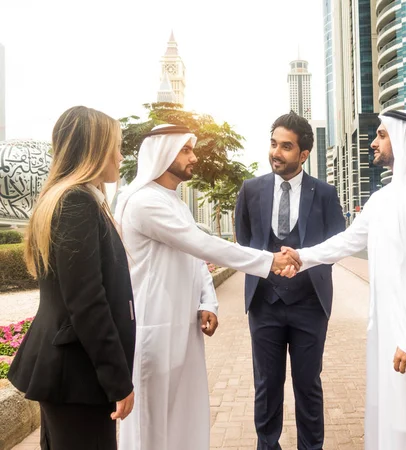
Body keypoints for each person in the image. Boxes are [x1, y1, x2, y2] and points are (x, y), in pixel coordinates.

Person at [280, 110, 406, 449]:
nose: (374, 142)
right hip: (386, 333)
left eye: (382, 134)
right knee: (388, 420)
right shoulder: (383, 197)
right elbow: (346, 242)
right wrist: (301, 257)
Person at [114, 124, 300, 450]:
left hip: (183, 330)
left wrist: (209, 302)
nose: (194, 157)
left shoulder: (174, 203)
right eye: (186, 150)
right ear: (163, 153)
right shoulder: (143, 202)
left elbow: (195, 258)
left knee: (185, 419)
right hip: (153, 331)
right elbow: (203, 244)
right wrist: (268, 261)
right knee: (151, 426)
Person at [8, 106, 135, 450]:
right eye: (117, 146)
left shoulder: (72, 199)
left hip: (71, 372)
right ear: (95, 149)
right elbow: (87, 302)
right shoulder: (76, 202)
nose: (121, 156)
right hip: (77, 375)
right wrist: (118, 381)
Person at [234, 112, 345, 449]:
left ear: (304, 154)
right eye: (273, 144)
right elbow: (244, 240)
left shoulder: (324, 193)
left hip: (310, 304)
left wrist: (304, 262)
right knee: (266, 385)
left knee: (308, 384)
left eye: (285, 146)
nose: (276, 152)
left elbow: (336, 244)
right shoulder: (250, 190)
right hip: (264, 304)